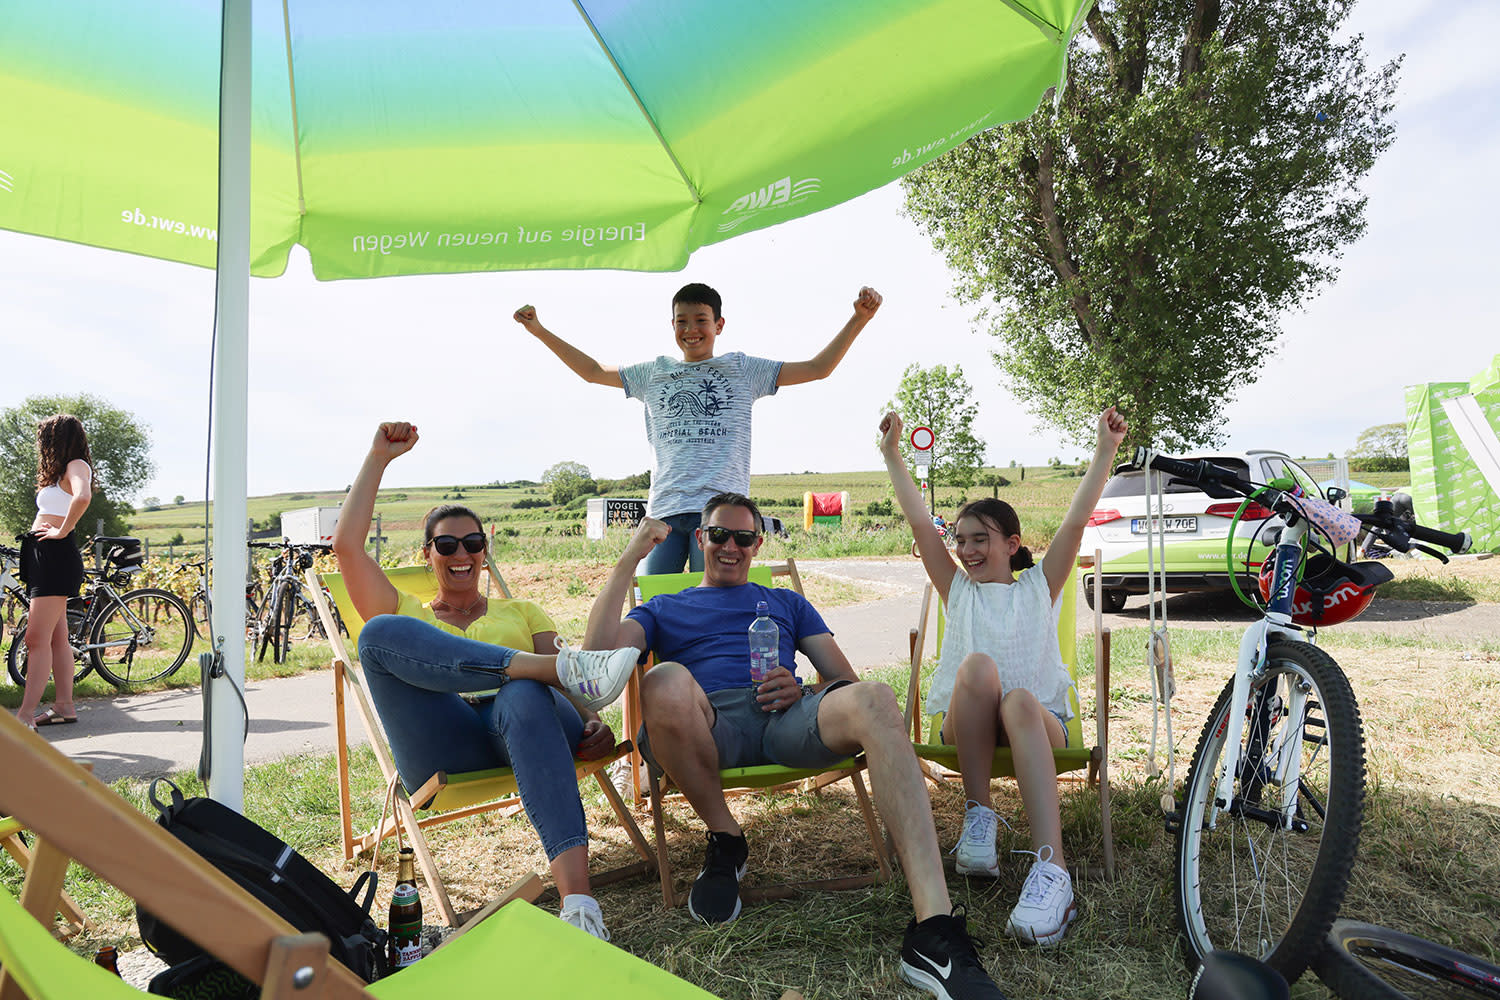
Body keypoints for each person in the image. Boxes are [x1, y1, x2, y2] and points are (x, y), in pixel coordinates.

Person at [585, 493, 1011, 1000]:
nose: (730, 546)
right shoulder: (663, 607)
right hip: (707, 726)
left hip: (785, 720)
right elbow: (596, 655)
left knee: (875, 699)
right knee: (663, 680)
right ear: (700, 539)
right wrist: (631, 556)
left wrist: (804, 689)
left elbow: (846, 681)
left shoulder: (786, 603)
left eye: (744, 537)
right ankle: (726, 838)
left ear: (757, 544)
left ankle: (935, 930)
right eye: (719, 534)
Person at [331, 422, 641, 940]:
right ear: (427, 554)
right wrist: (378, 458)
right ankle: (544, 666)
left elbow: (566, 699)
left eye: (472, 542)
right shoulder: (403, 610)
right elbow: (344, 546)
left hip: (534, 723)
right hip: (450, 740)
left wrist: (592, 719)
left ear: (484, 549)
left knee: (523, 692)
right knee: (380, 633)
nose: (461, 553)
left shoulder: (522, 608)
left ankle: (581, 906)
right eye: (446, 544)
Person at [879, 406, 1127, 948]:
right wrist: (892, 456)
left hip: (1036, 724)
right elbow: (922, 524)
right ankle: (980, 818)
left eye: (978, 539)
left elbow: (1075, 521)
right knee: (978, 668)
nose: (965, 550)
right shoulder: (957, 590)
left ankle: (1051, 871)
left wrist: (1104, 451)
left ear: (1012, 544)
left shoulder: (1040, 587)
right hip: (965, 724)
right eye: (961, 540)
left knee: (1016, 698)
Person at [513, 282, 882, 574]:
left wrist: (859, 320)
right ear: (672, 325)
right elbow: (592, 372)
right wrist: (538, 330)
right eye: (682, 321)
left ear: (719, 324)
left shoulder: (742, 369)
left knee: (712, 606)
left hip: (721, 512)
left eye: (701, 320)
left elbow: (818, 368)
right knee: (653, 603)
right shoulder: (653, 372)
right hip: (665, 511)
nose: (691, 329)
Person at [16, 414, 93, 731]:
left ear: (58, 439)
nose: (41, 445)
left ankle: (24, 716)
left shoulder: (77, 465)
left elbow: (83, 496)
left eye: (45, 438)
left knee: (35, 639)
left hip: (55, 556)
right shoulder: (60, 471)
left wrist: (62, 530)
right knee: (58, 638)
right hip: (43, 555)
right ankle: (64, 706)